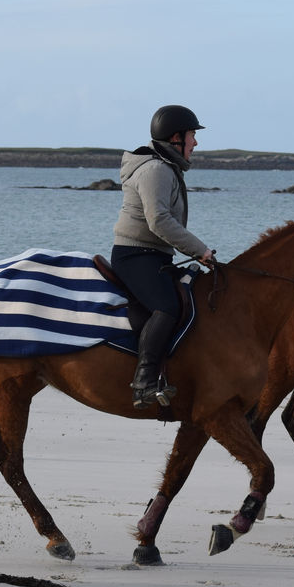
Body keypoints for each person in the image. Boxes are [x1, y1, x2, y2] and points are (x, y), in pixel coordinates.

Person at [112, 104, 217, 409]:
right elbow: (158, 220)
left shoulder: (164, 166)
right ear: (176, 138)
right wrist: (201, 251)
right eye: (192, 136)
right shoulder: (156, 169)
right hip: (135, 255)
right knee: (167, 306)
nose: (195, 143)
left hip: (153, 255)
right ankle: (143, 382)